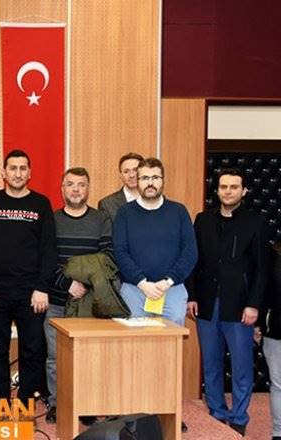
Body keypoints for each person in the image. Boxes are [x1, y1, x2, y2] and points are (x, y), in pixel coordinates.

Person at [186, 168, 268, 436]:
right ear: (217, 190)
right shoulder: (203, 220)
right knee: (211, 364)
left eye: (234, 187)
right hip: (207, 303)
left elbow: (262, 268)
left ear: (244, 191)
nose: (228, 191)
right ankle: (217, 413)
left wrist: (254, 304)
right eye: (223, 187)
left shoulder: (255, 222)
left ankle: (239, 417)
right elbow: (194, 261)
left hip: (240, 306)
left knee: (241, 366)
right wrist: (192, 296)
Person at [0, 149, 56, 403]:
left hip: (31, 293)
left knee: (32, 350)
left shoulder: (41, 204)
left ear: (29, 173)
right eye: (12, 168)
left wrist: (42, 288)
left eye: (22, 168)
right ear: (4, 173)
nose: (17, 173)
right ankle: (1, 402)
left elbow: (49, 249)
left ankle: (24, 405)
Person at [43, 167, 113, 423]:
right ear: (62, 189)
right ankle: (56, 404)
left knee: (89, 357)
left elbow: (107, 257)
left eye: (81, 184)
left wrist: (83, 281)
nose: (76, 189)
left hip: (90, 303)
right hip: (57, 300)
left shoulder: (101, 219)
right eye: (70, 184)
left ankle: (87, 405)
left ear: (88, 188)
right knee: (55, 358)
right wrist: (67, 284)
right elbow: (45, 260)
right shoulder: (51, 220)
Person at [113, 157, 197, 326]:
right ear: (137, 181)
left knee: (171, 340)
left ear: (163, 181)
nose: (150, 183)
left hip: (172, 290)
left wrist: (168, 282)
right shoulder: (124, 213)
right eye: (145, 178)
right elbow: (120, 252)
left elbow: (190, 252)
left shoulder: (179, 211)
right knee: (135, 341)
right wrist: (142, 283)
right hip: (134, 290)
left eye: (155, 178)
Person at [259, 242, 281, 440]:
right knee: (278, 384)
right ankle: (278, 432)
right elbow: (264, 292)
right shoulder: (272, 255)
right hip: (275, 331)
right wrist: (259, 324)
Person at [98, 152, 144, 221]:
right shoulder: (107, 204)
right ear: (120, 175)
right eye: (126, 171)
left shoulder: (155, 200)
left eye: (135, 170)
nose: (131, 175)